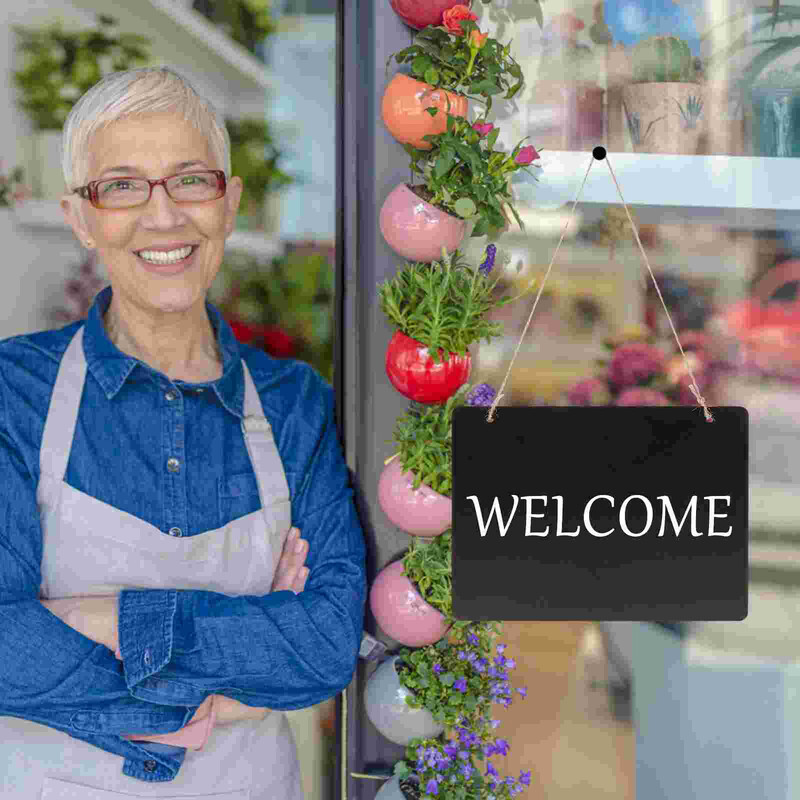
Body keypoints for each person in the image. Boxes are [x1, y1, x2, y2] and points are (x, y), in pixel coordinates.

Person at [0, 66, 367, 798]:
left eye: (190, 181)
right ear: (81, 217)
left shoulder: (294, 404)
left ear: (229, 204)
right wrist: (220, 693)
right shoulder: (14, 392)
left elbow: (326, 644)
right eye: (123, 186)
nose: (162, 216)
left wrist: (103, 618)